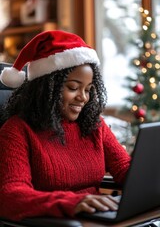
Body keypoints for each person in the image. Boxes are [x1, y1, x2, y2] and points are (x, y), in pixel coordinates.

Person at [0, 30, 131, 221]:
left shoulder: (94, 124)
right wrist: (71, 202)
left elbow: (123, 167)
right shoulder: (16, 131)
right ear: (46, 87)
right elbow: (10, 196)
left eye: (88, 89)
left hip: (97, 217)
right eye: (73, 88)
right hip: (55, 221)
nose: (83, 98)